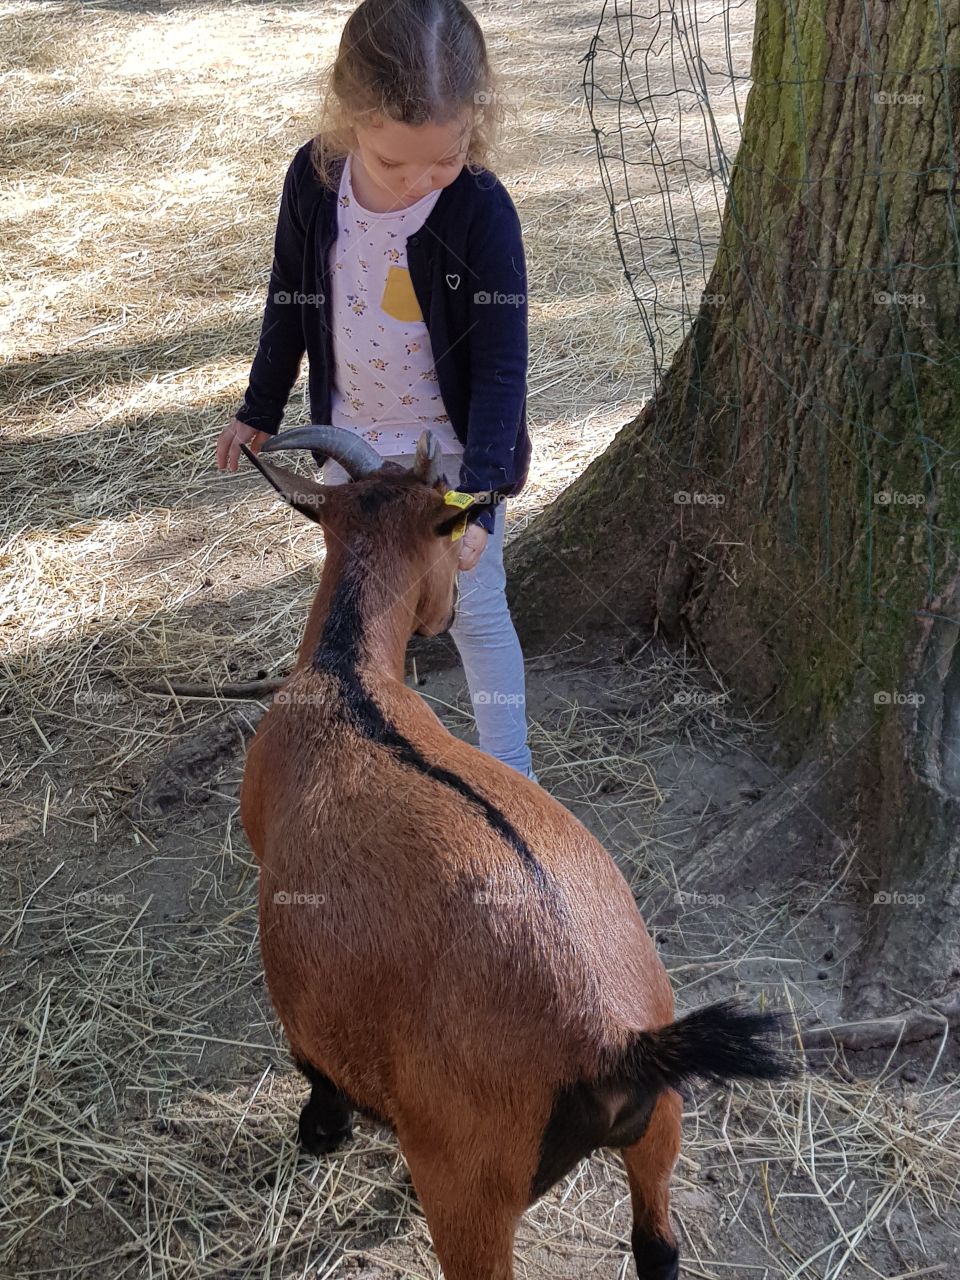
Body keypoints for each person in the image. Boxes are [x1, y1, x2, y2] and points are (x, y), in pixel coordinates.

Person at [215, 0, 537, 781]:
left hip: (449, 457)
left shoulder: (483, 211)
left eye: (446, 157)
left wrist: (480, 504)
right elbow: (289, 298)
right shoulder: (314, 179)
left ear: (474, 124)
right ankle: (361, 760)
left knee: (476, 610)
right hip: (353, 443)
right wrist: (260, 408)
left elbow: (501, 369)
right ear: (348, 116)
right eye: (394, 164)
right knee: (361, 611)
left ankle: (515, 772)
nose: (419, 181)